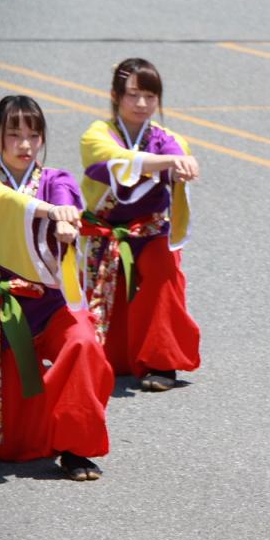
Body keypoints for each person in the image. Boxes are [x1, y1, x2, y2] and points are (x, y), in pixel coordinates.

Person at [0, 96, 113, 481]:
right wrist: (46, 212)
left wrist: (66, 216)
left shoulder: (54, 180)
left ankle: (76, 450)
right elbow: (7, 202)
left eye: (33, 135)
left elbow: (67, 200)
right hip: (4, 312)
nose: (25, 144)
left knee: (83, 341)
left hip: (48, 307)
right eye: (13, 134)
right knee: (18, 443)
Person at [79, 58, 200, 392]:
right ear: (116, 96)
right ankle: (111, 356)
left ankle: (161, 362)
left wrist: (180, 167)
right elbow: (113, 162)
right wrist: (171, 163)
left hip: (149, 231)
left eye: (150, 96)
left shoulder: (168, 140)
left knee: (164, 271)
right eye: (133, 95)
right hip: (105, 231)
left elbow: (176, 158)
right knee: (104, 291)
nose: (142, 104)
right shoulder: (96, 135)